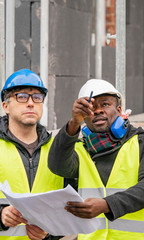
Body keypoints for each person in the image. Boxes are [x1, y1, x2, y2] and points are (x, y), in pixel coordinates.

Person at [48, 79, 144, 240]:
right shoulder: (81, 150)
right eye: (92, 107)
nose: (98, 111)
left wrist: (106, 205)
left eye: (105, 104)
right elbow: (57, 166)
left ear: (119, 110)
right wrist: (74, 122)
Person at [0, 69, 65, 240]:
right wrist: (1, 215)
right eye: (21, 97)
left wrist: (49, 234)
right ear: (5, 106)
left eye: (37, 97)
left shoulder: (57, 150)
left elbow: (68, 210)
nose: (30, 103)